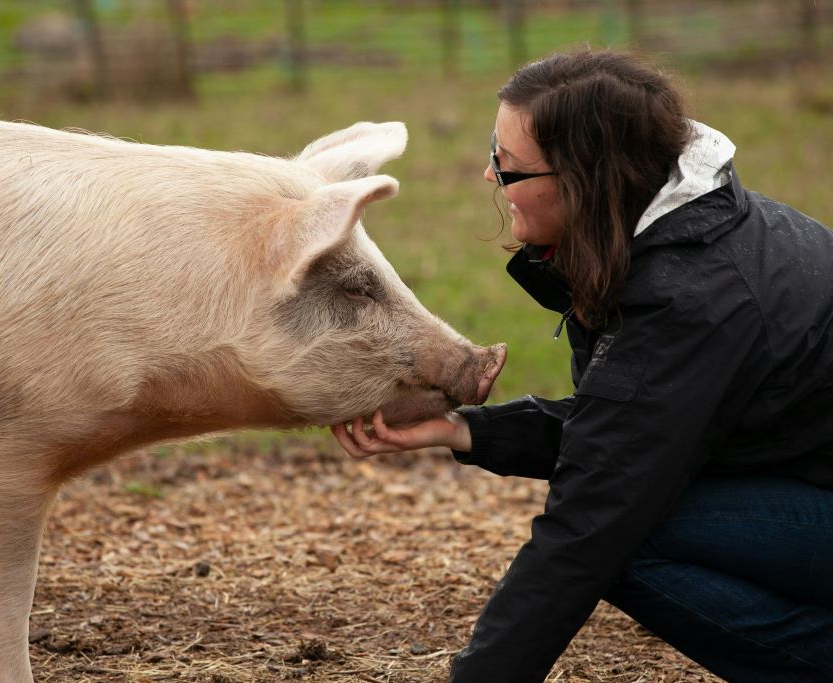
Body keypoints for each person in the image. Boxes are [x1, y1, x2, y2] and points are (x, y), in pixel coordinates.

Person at [332, 48, 833, 682]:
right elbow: (640, 424)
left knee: (628, 537)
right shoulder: (680, 230)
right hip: (810, 482)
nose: (490, 178)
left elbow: (597, 511)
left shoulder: (692, 295)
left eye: (508, 166)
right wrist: (465, 431)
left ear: (585, 180)